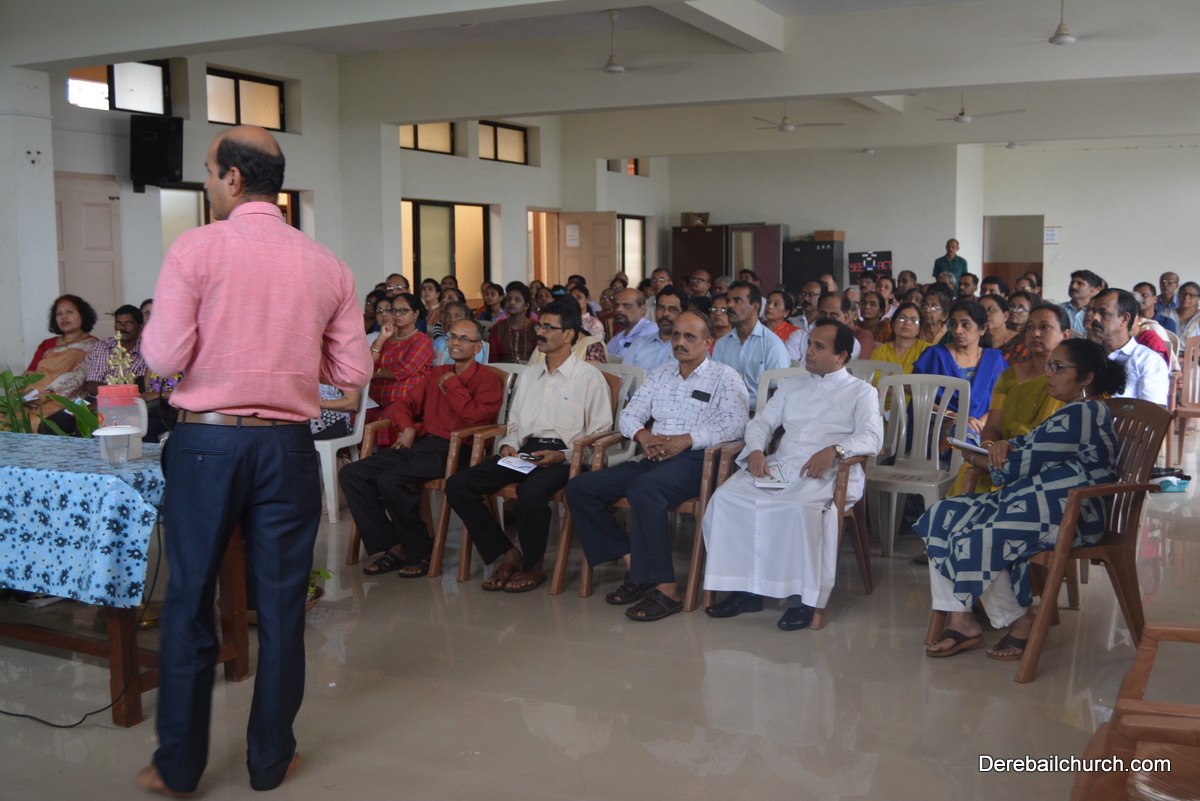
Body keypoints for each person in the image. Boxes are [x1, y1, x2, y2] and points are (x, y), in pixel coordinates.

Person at [137, 125, 372, 796]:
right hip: (289, 447)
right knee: (281, 606)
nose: (208, 183)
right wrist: (285, 360)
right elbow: (351, 374)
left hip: (207, 444)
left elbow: (162, 359)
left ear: (233, 179)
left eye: (210, 172)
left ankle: (178, 767)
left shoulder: (196, 247)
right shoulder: (327, 264)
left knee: (190, 600)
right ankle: (270, 760)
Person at [920, 339, 1124, 660]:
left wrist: (973, 457)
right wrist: (1002, 445)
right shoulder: (1074, 411)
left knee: (975, 535)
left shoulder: (1085, 412)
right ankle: (962, 621)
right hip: (1038, 504)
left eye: (1059, 367)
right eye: (1049, 365)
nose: (1049, 373)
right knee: (943, 515)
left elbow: (1015, 466)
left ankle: (1020, 621)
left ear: (1086, 377)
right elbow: (1028, 445)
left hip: (1071, 513)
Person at [565, 311, 749, 622]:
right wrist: (643, 436)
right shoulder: (661, 374)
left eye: (689, 337)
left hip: (698, 461)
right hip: (654, 455)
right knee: (581, 488)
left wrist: (687, 440)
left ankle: (667, 589)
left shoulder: (725, 377)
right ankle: (638, 567)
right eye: (676, 335)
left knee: (644, 489)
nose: (680, 342)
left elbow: (736, 425)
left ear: (708, 342)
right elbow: (630, 414)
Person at [702, 320, 883, 631]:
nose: (808, 351)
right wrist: (756, 450)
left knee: (797, 508)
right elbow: (762, 422)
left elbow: (872, 437)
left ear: (841, 356)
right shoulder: (792, 385)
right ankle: (746, 591)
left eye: (818, 347)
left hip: (831, 471)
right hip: (783, 465)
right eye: (809, 343)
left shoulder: (861, 391)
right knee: (727, 499)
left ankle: (802, 599)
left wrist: (835, 450)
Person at [445, 300, 613, 593]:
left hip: (568, 457)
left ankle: (533, 564)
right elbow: (514, 424)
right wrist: (508, 445)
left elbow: (600, 436)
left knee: (531, 491)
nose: (540, 332)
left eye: (548, 327)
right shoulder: (530, 375)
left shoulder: (589, 378)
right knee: (459, 484)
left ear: (569, 334)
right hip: (526, 451)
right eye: (540, 325)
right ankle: (508, 553)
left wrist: (562, 455)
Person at [340, 319, 503, 577]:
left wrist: (453, 384)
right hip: (423, 444)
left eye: (464, 338)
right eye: (452, 336)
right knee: (352, 473)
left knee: (391, 481)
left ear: (478, 347)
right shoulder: (437, 374)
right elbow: (404, 404)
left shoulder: (487, 379)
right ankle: (395, 544)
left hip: (458, 450)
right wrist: (407, 427)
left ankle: (420, 550)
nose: (455, 342)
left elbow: (475, 417)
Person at [949, 303, 1070, 496]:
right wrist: (988, 445)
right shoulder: (1009, 377)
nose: (1035, 333)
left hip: (1044, 459)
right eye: (1030, 327)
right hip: (1002, 457)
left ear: (1065, 335)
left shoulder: (1070, 380)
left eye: (1044, 327)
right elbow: (993, 426)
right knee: (968, 470)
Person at [912, 300, 1007, 440]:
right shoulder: (935, 355)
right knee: (962, 433)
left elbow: (1004, 401)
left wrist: (980, 423)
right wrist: (955, 416)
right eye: (954, 324)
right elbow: (918, 397)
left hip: (984, 426)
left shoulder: (994, 360)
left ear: (982, 329)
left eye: (965, 325)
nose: (957, 331)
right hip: (941, 424)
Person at [365, 291, 434, 447]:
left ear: (415, 313)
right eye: (394, 310)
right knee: (353, 418)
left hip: (405, 401)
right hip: (375, 399)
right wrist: (381, 338)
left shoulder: (421, 340)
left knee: (383, 422)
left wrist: (376, 374)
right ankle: (352, 458)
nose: (397, 314)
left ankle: (384, 458)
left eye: (403, 310)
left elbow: (404, 369)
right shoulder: (387, 338)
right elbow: (368, 365)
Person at [713, 281, 790, 412]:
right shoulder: (722, 344)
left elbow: (779, 395)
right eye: (729, 300)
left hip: (760, 415)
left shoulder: (772, 345)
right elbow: (714, 384)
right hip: (724, 413)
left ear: (755, 307)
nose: (730, 305)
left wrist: (758, 420)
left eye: (737, 300)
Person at [1086, 289, 1169, 406]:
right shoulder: (1086, 355)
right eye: (1094, 311)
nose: (1095, 317)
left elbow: (1152, 412)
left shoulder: (1148, 360)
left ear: (1125, 319)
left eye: (1103, 313)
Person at [22, 294, 99, 417]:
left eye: (69, 312)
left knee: (36, 419)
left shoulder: (93, 345)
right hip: (31, 396)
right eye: (59, 313)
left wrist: (47, 395)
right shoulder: (47, 344)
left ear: (82, 315)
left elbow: (83, 381)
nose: (64, 317)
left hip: (64, 399)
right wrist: (21, 392)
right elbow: (30, 372)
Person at [84, 304, 148, 397]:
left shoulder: (146, 352)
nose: (122, 327)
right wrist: (117, 395)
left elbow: (141, 388)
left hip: (132, 401)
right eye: (118, 323)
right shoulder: (102, 346)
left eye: (128, 323)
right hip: (101, 400)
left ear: (140, 326)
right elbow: (92, 386)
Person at [789, 293, 868, 361]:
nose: (827, 318)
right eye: (823, 313)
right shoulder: (798, 337)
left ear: (846, 317)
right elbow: (791, 369)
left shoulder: (852, 344)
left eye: (833, 315)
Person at [624, 286, 685, 372]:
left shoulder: (688, 348)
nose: (665, 314)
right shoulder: (638, 344)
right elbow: (624, 377)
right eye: (661, 308)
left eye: (672, 309)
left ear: (683, 313)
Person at [870, 301, 929, 375]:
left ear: (919, 329)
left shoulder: (927, 351)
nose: (907, 323)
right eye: (902, 318)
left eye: (913, 320)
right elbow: (875, 380)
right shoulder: (880, 352)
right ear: (893, 324)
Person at [488, 284, 538, 363]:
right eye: (509, 299)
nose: (511, 302)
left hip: (532, 369)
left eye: (517, 300)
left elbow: (541, 357)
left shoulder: (536, 328)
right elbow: (492, 359)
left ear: (526, 305)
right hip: (501, 369)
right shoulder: (498, 328)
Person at [607, 287, 657, 356]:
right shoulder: (614, 341)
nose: (619, 309)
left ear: (642, 309)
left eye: (626, 305)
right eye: (616, 305)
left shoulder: (652, 331)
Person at [980, 294, 1027, 366]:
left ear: (1005, 315)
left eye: (991, 309)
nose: (985, 314)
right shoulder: (974, 341)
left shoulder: (1023, 341)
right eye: (981, 311)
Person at [1061, 269, 1104, 335]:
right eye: (1072, 282)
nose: (1073, 286)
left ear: (1093, 290)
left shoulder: (1099, 314)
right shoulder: (1057, 310)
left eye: (1080, 283)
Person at [1162, 281, 1200, 346]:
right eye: (1183, 293)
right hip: (1168, 351)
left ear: (1198, 299)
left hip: (1193, 352)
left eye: (1191, 295)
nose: (1186, 297)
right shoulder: (1165, 315)